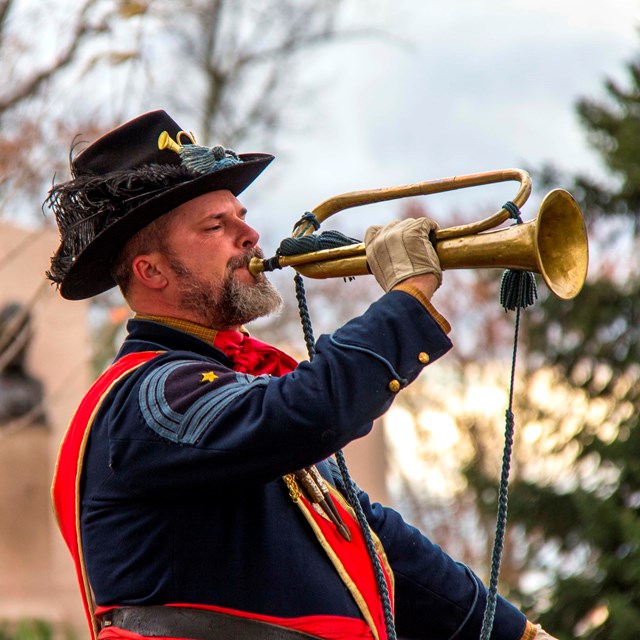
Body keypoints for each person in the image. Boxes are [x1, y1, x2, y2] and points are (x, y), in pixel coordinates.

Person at [47, 110, 555, 640]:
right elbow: (305, 411)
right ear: (151, 270)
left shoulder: (226, 388)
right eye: (215, 226)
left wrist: (520, 635)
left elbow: (380, 542)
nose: (250, 235)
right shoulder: (150, 393)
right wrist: (406, 298)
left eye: (240, 216)